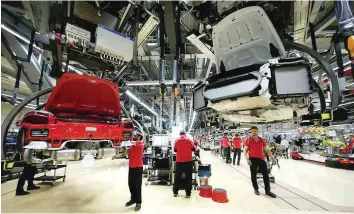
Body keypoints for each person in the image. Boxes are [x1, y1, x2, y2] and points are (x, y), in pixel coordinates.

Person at [244, 126, 276, 198]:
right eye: (253, 131)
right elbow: (245, 151)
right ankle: (256, 189)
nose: (254, 132)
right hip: (252, 159)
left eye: (255, 131)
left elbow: (267, 149)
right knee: (253, 175)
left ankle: (268, 191)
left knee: (266, 175)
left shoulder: (261, 140)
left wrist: (272, 157)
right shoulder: (248, 140)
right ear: (251, 132)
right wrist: (247, 159)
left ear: (257, 131)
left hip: (261, 159)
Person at [173, 130, 197, 198]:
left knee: (177, 177)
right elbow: (194, 149)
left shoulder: (176, 140)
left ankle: (175, 192)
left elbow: (175, 150)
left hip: (179, 161)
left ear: (179, 134)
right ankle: (188, 194)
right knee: (188, 178)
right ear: (185, 134)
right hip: (188, 161)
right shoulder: (189, 140)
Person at [126, 133, 144, 212]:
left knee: (137, 185)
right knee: (131, 184)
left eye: (135, 135)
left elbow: (134, 143)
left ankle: (138, 202)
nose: (134, 136)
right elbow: (126, 153)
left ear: (139, 137)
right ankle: (133, 199)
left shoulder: (140, 144)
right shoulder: (132, 146)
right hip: (131, 167)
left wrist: (127, 140)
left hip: (138, 167)